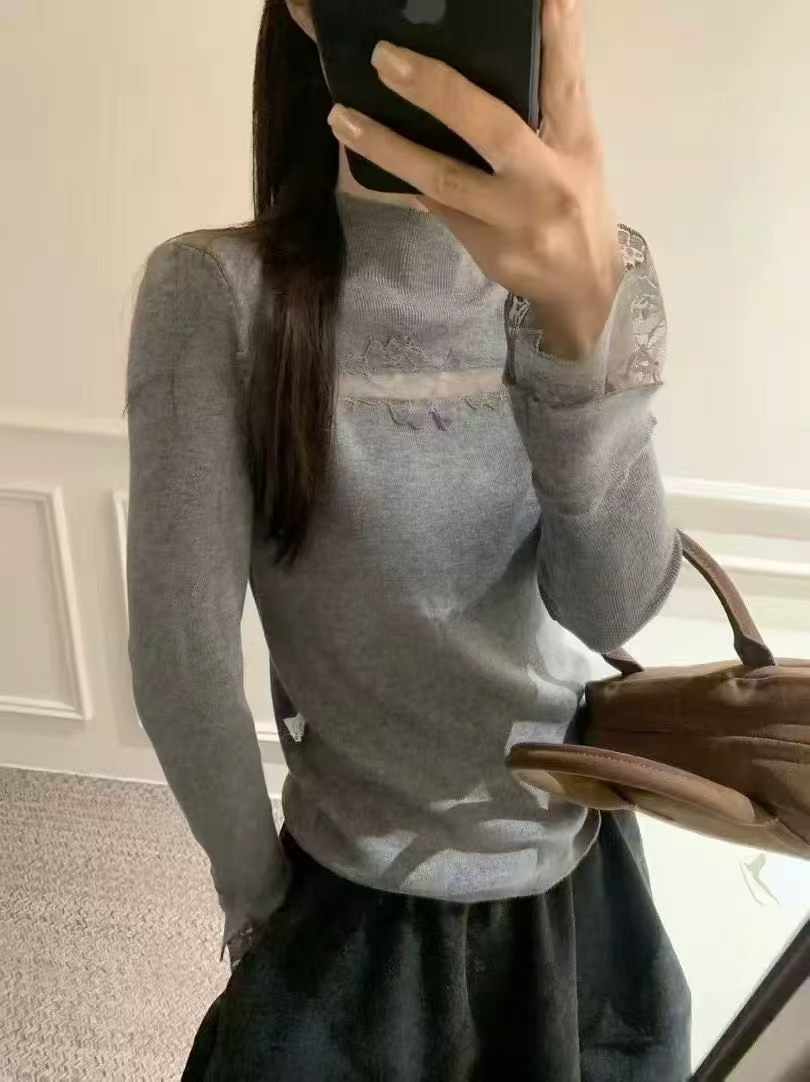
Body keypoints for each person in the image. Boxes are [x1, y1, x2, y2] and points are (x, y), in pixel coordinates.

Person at [124, 0, 691, 1077]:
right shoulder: (217, 293)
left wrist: (582, 328)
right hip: (355, 906)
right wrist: (257, 900)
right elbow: (182, 666)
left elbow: (611, 608)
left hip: (581, 871)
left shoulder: (597, 270)